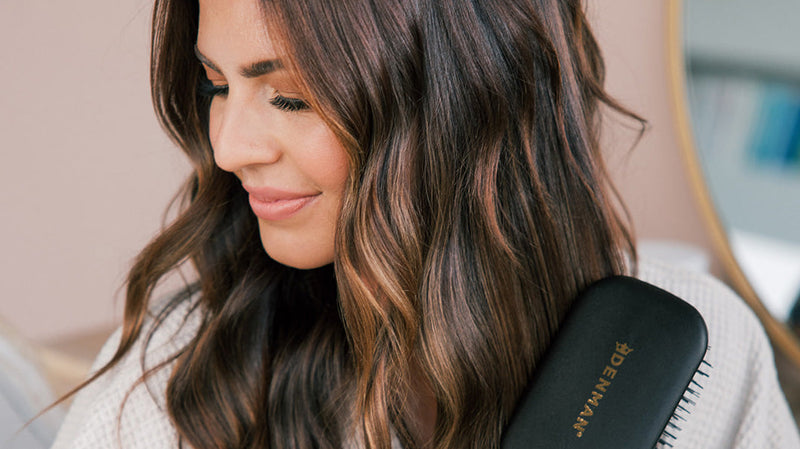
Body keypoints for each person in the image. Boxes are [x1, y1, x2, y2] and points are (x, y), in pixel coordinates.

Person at [49, 0, 800, 448]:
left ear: (462, 101)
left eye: (290, 97)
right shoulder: (178, 375)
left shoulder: (700, 348)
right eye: (216, 85)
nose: (228, 148)